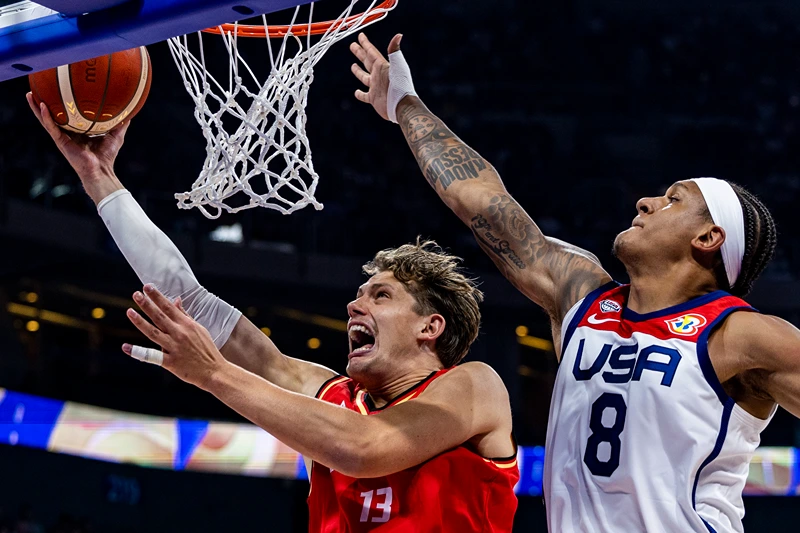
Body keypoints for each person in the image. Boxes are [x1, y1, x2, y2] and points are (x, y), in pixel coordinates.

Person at [350, 32, 800, 532]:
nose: (646, 203)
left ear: (710, 236)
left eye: (672, 199)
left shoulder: (741, 335)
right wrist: (406, 106)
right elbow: (480, 198)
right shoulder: (581, 296)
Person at [27, 93, 519, 533]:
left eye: (380, 296)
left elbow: (364, 449)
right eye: (360, 293)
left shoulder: (474, 388)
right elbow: (192, 301)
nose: (354, 304)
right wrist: (100, 181)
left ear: (430, 327)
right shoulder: (331, 396)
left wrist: (215, 375)